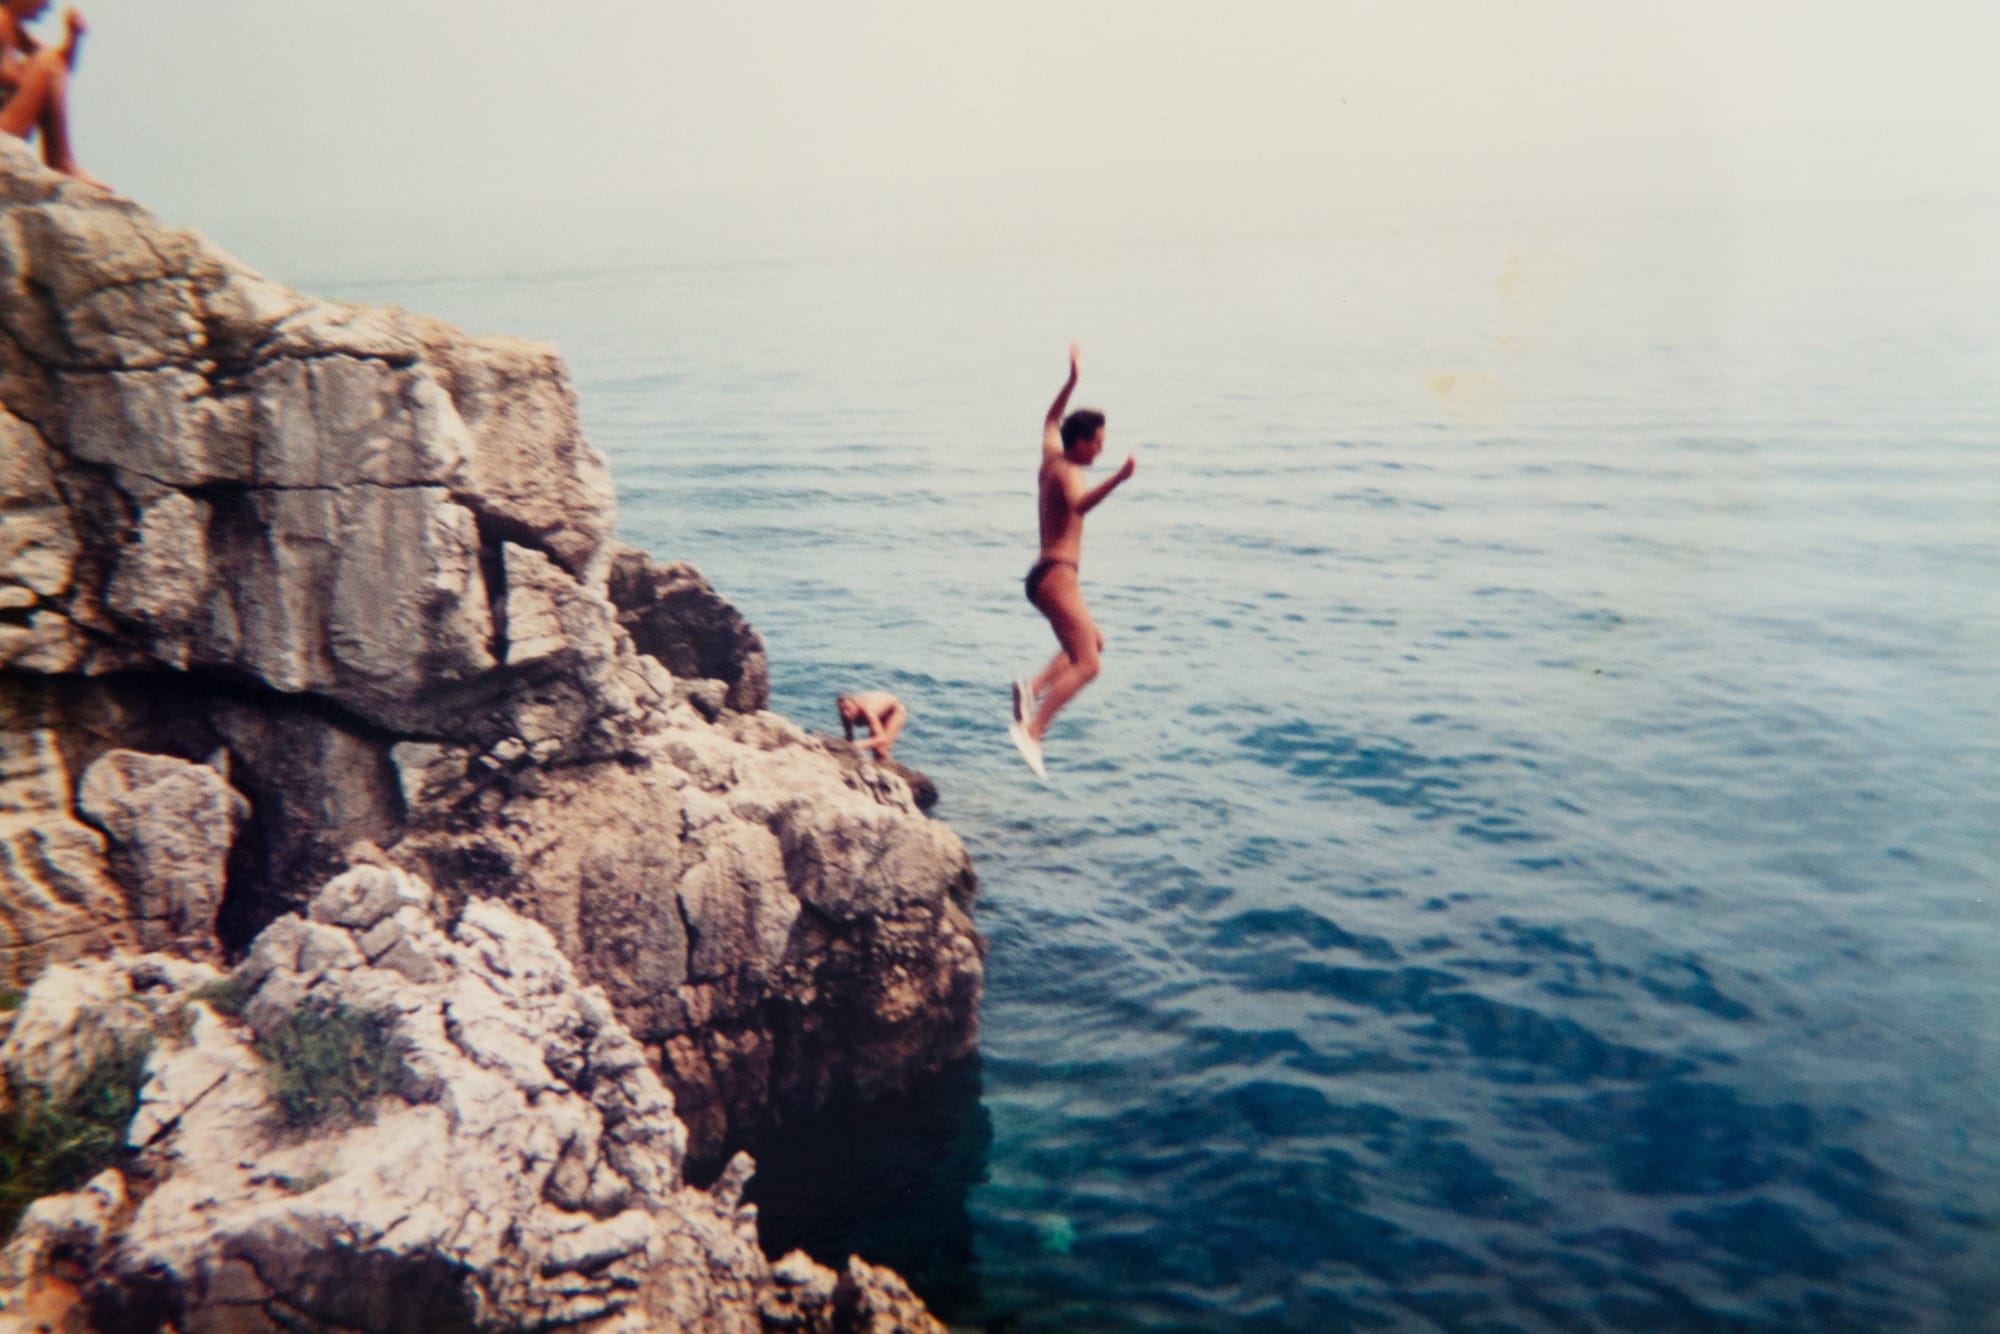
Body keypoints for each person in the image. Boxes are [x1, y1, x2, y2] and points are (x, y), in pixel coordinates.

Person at [1010, 343, 1135, 777]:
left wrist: (1072, 382)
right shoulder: (1068, 471)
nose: (1100, 451)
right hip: (1058, 576)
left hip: (1043, 577)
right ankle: (1033, 730)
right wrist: (1117, 479)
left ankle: (1034, 686)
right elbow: (1079, 505)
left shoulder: (1050, 457)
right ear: (1080, 442)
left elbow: (1049, 420)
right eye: (1097, 444)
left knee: (1091, 641)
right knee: (1090, 663)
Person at [0, 1, 102, 188]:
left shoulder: (10, 23)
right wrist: (19, 72)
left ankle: (62, 162)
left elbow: (59, 67)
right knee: (47, 62)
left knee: (48, 61)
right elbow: (9, 75)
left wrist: (73, 37)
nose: (47, 6)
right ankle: (61, 162)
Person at [837, 691, 907, 763]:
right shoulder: (844, 715)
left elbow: (882, 739)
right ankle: (879, 765)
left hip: (894, 711)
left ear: (855, 704)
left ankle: (891, 769)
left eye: (848, 709)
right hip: (878, 714)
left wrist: (860, 744)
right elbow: (849, 738)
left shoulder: (868, 710)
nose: (846, 713)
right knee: (875, 749)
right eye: (842, 710)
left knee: (881, 749)